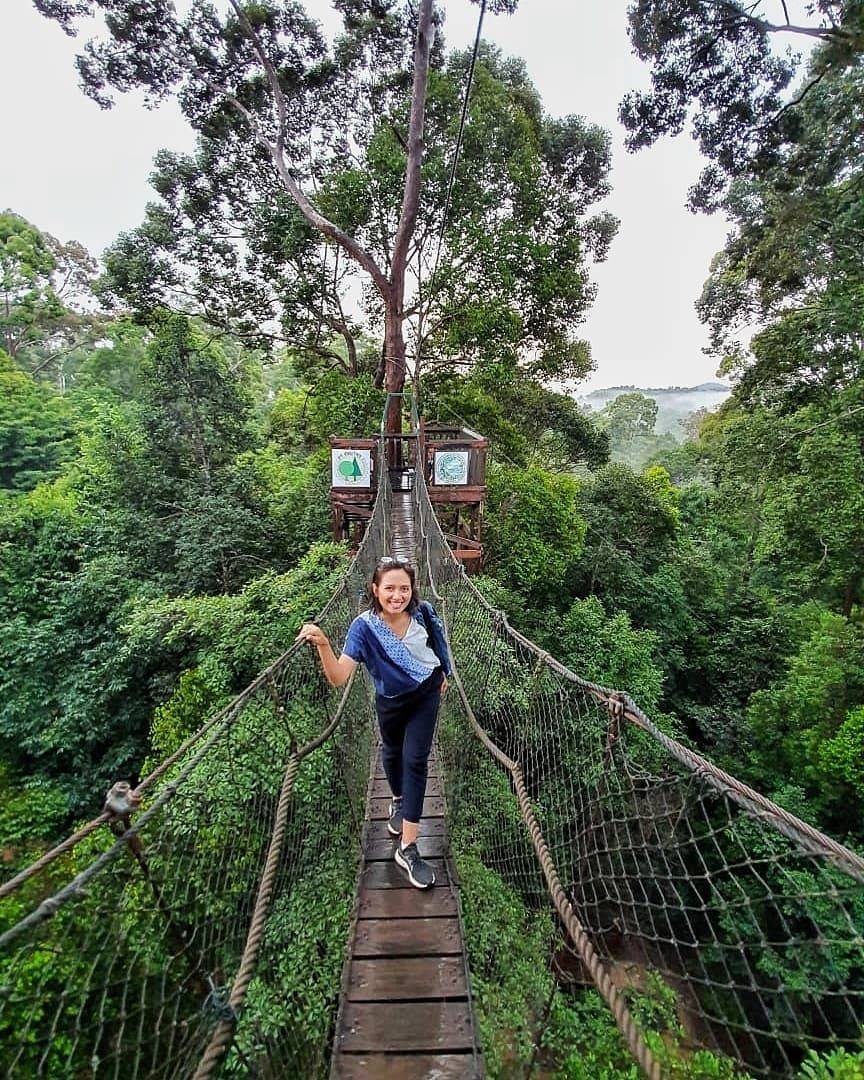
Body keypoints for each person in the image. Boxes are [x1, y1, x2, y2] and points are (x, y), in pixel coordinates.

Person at [295, 557, 452, 889]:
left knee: (415, 761)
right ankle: (397, 799)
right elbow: (338, 677)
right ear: (375, 590)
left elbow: (438, 644)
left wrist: (443, 673)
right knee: (392, 754)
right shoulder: (363, 628)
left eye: (404, 588)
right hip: (391, 703)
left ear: (413, 590)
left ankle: (408, 847)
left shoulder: (421, 613)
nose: (398, 596)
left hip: (426, 696)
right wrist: (324, 643)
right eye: (390, 589)